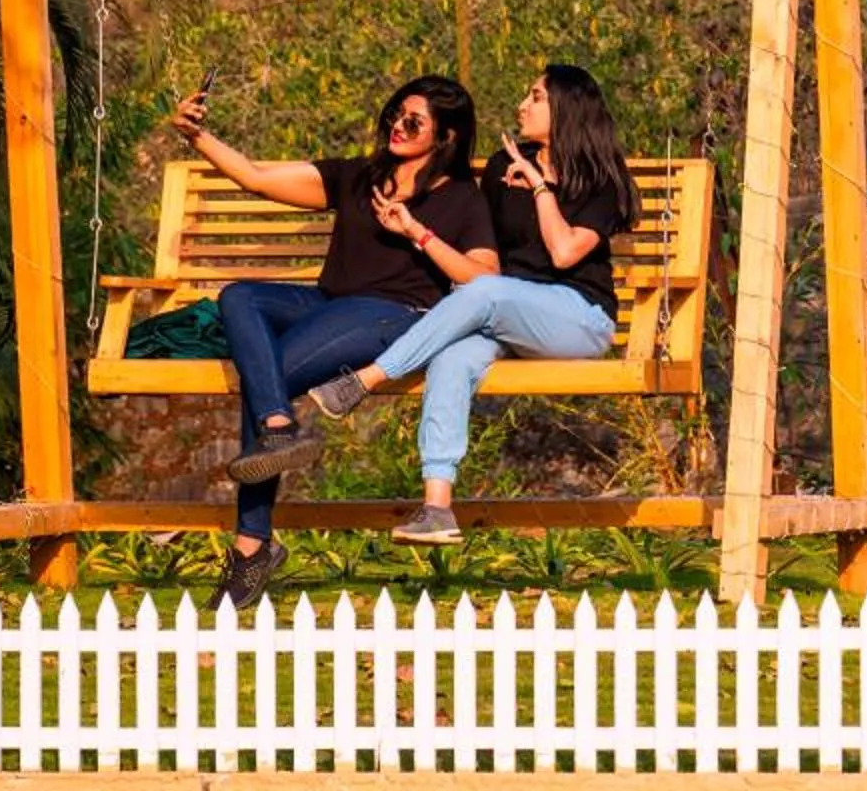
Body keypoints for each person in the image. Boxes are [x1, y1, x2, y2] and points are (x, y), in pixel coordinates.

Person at [165, 73, 499, 603]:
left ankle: (253, 545)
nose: (397, 125)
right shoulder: (359, 176)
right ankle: (278, 429)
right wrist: (197, 137)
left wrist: (416, 231)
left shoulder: (461, 199)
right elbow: (254, 177)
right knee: (239, 297)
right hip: (329, 303)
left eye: (414, 121)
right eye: (395, 112)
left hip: (397, 316)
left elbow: (483, 280)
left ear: (447, 137)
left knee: (265, 376)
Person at [299, 63, 640, 544]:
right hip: (505, 314)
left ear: (567, 108)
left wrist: (542, 189)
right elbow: (485, 256)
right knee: (452, 358)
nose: (522, 105)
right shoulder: (503, 166)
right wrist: (416, 233)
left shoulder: (599, 177)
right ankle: (437, 509)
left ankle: (367, 379)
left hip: (577, 317)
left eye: (535, 97)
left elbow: (564, 253)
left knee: (483, 291)